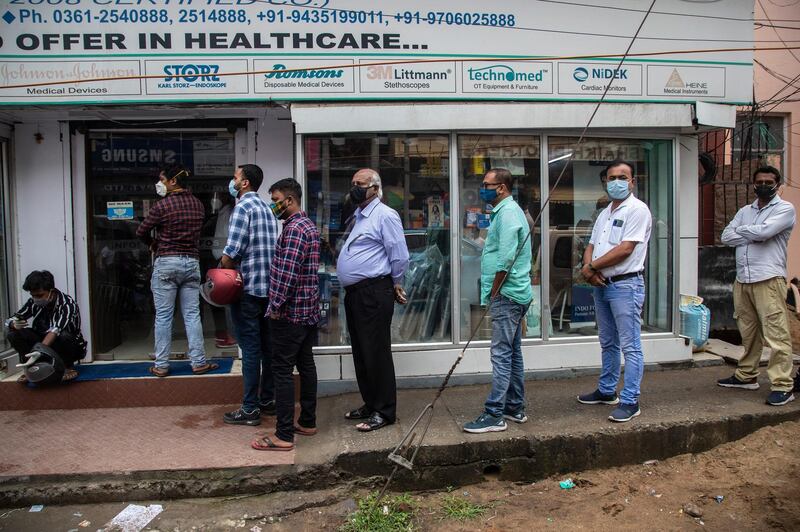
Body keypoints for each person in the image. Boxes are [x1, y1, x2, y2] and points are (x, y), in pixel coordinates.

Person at [576, 159, 652, 423]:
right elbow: (592, 243)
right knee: (608, 342)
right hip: (601, 284)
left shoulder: (637, 210)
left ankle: (630, 400)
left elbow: (625, 249)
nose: (616, 182)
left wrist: (591, 267)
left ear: (633, 182)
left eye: (622, 177)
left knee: (631, 346)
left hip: (626, 285)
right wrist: (589, 268)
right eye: (611, 178)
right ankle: (607, 390)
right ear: (605, 182)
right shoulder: (605, 212)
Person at [337, 168, 410, 432]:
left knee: (376, 352)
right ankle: (371, 403)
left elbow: (399, 255)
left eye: (361, 184)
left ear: (375, 188)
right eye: (353, 183)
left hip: (373, 291)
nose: (355, 187)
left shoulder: (385, 215)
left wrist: (394, 282)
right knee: (361, 353)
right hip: (356, 294)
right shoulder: (358, 215)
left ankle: (385, 410)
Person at [718, 166, 796, 406]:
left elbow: (766, 233)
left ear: (777, 184)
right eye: (759, 181)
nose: (763, 185)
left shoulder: (784, 209)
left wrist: (747, 232)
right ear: (753, 184)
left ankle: (783, 384)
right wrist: (753, 232)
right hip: (743, 279)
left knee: (776, 334)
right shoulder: (745, 210)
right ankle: (746, 375)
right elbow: (725, 236)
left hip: (768, 279)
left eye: (768, 181)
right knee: (748, 331)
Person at [252, 179, 321, 451]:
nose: (274, 205)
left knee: (281, 370)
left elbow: (288, 274)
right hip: (306, 312)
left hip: (290, 314)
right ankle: (307, 421)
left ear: (289, 200)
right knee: (306, 365)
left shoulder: (294, 230)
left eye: (276, 199)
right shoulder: (309, 226)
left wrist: (276, 306)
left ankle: (283, 435)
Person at [463, 168, 533, 434]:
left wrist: (494, 292)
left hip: (507, 293)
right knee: (512, 352)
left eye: (486, 185)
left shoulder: (508, 214)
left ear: (501, 188)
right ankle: (514, 407)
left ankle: (495, 414)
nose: (483, 189)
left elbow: (505, 259)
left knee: (501, 354)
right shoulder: (503, 212)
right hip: (513, 293)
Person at [136, 164, 217, 377]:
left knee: (164, 316)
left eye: (162, 179)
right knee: (192, 315)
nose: (159, 184)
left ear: (173, 182)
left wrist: (153, 242)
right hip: (191, 263)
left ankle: (161, 365)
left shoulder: (162, 206)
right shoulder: (198, 205)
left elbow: (141, 231)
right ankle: (199, 362)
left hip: (167, 263)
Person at [220, 164, 280, 426]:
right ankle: (267, 400)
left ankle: (249, 409)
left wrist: (223, 266)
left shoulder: (242, 207)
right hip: (268, 290)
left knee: (251, 350)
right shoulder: (267, 209)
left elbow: (232, 250)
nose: (232, 182)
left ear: (244, 183)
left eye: (235, 177)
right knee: (267, 349)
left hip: (247, 291)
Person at [5, 270, 87, 383]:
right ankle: (30, 367)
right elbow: (14, 318)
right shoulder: (33, 302)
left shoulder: (67, 304)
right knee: (13, 334)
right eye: (33, 295)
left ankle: (67, 368)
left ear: (51, 291)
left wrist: (39, 350)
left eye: (39, 295)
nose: (36, 299)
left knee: (64, 335)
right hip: (42, 342)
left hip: (64, 344)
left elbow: (56, 330)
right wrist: (13, 324)